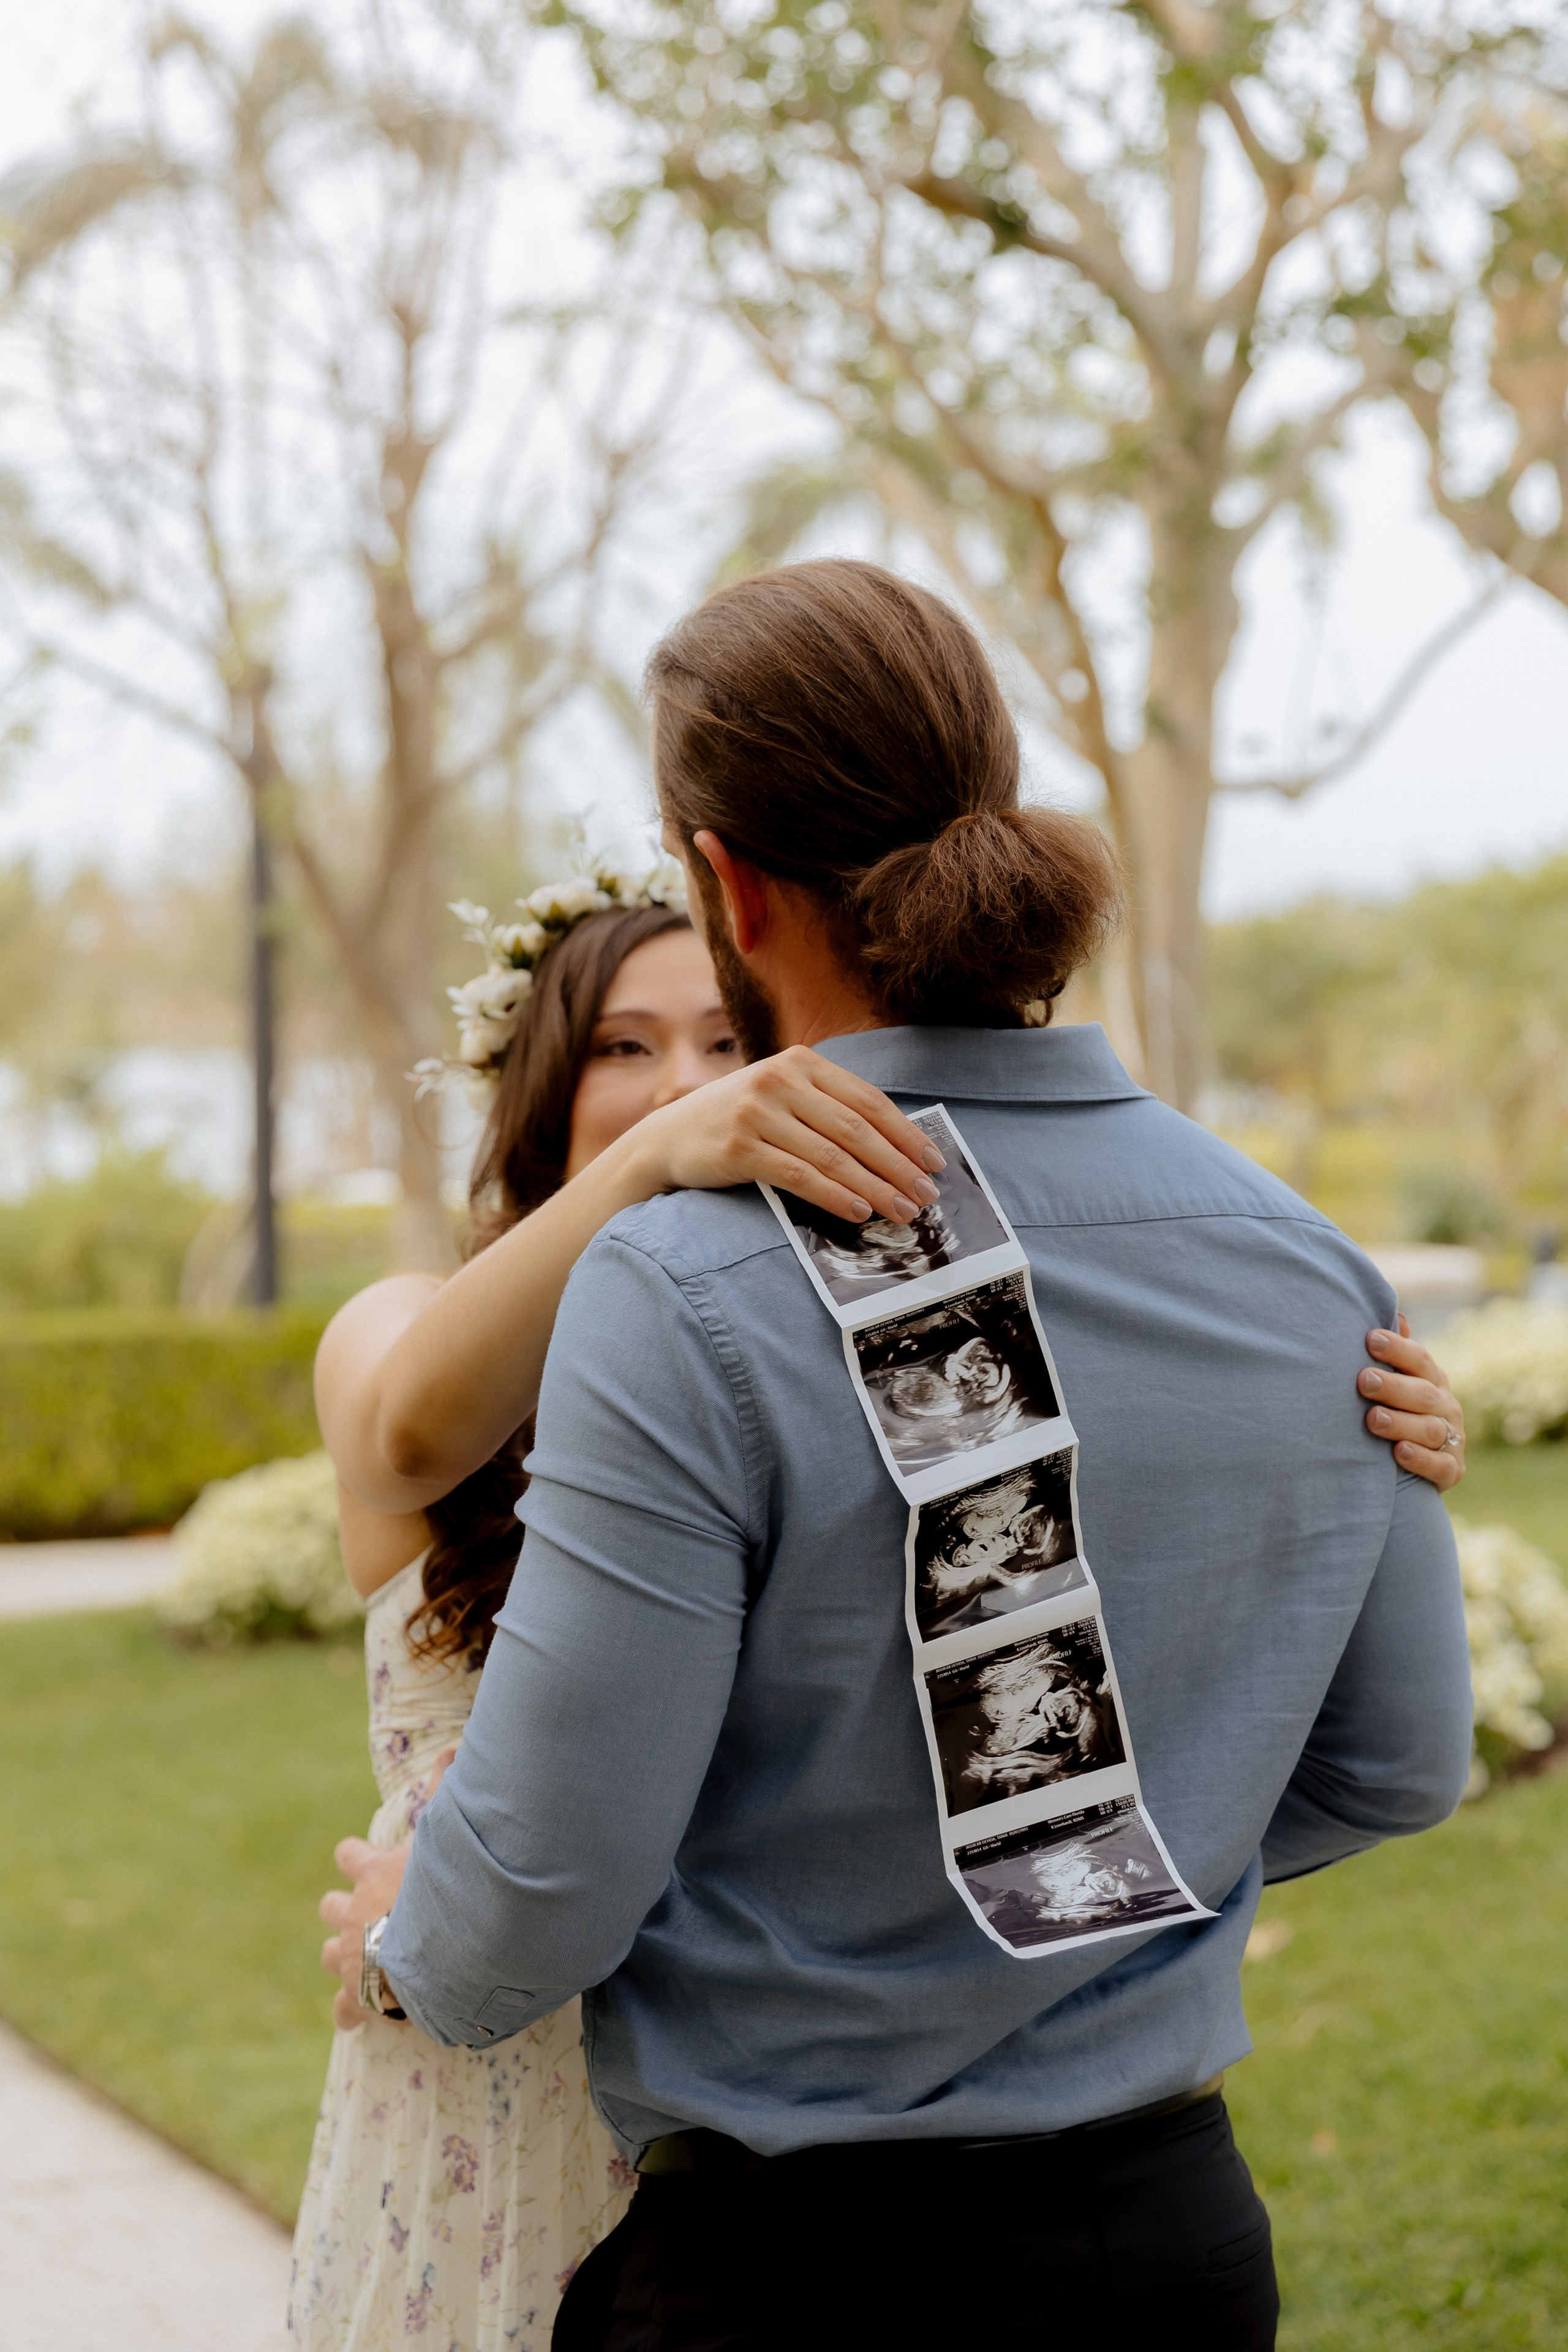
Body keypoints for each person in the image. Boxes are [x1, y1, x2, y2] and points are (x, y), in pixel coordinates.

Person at [319, 559, 1474, 2350]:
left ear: (725, 884)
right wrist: (1084, 1880)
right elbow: (1395, 1764)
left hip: (801, 2279)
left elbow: (545, 1884)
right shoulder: (1303, 1262)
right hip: (1171, 2255)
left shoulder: (690, 1285)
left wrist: (421, 1940)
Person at [290, 878, 948, 2350]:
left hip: (739, 2071)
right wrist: (658, 1160)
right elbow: (404, 1437)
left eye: (727, 1041)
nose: (690, 1084)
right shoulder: (399, 1324)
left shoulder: (823, 1351)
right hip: (478, 2050)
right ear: (541, 1087)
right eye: (625, 1048)